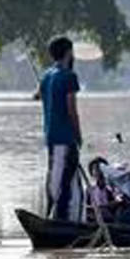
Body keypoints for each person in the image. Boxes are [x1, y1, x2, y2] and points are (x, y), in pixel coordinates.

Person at [40, 36, 84, 222]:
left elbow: (40, 96)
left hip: (51, 136)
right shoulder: (68, 76)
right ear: (68, 52)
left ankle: (70, 219)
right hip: (65, 137)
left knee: (62, 179)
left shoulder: (47, 76)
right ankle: (60, 220)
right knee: (61, 183)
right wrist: (78, 135)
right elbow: (71, 110)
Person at [86, 156, 121, 223]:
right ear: (91, 172)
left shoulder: (111, 187)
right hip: (95, 218)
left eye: (102, 168)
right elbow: (86, 205)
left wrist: (111, 204)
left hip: (110, 218)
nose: (100, 172)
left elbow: (118, 199)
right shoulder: (90, 189)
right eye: (96, 169)